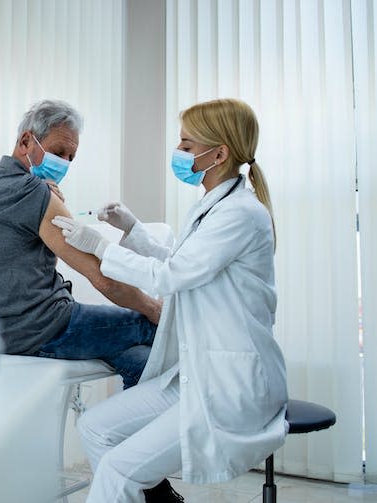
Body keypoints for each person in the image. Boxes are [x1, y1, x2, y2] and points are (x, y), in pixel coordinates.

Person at [52, 98, 288, 503]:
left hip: (228, 386)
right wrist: (132, 229)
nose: (179, 152)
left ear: (219, 153)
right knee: (94, 426)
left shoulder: (241, 214)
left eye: (186, 143)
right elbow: (184, 261)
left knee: (117, 470)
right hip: (195, 373)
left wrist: (103, 248)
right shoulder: (212, 208)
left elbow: (173, 276)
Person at [0, 99, 162, 389]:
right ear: (26, 141)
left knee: (137, 358)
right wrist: (154, 308)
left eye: (71, 158)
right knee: (155, 328)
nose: (64, 164)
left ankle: (120, 426)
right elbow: (103, 278)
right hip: (39, 329)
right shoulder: (34, 191)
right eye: (58, 152)